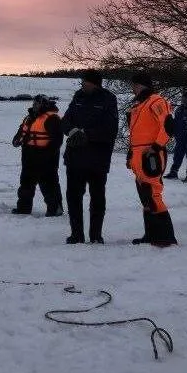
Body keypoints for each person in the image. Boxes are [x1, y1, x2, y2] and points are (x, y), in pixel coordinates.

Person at [61, 70, 118, 244]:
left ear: (95, 83)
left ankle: (96, 235)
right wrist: (72, 131)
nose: (83, 85)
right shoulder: (78, 97)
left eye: (86, 82)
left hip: (97, 159)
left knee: (97, 198)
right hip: (75, 157)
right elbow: (65, 121)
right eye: (82, 82)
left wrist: (87, 134)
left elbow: (110, 130)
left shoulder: (108, 99)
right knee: (73, 197)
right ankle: (76, 234)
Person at [127, 73, 177, 246]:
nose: (132, 88)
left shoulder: (156, 101)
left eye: (133, 84)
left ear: (141, 85)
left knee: (153, 194)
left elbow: (169, 126)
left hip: (151, 155)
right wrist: (130, 153)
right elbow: (136, 134)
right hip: (139, 155)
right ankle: (151, 234)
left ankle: (166, 237)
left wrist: (156, 147)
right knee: (145, 196)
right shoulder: (139, 105)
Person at [12, 95, 64, 216]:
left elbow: (57, 141)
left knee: (49, 185)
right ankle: (23, 209)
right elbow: (21, 133)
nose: (35, 105)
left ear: (44, 104)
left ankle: (55, 209)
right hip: (28, 156)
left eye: (38, 103)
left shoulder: (52, 118)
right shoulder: (29, 118)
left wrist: (47, 155)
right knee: (26, 183)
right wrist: (16, 140)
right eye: (34, 103)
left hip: (47, 158)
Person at [164, 90, 187, 181]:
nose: (183, 101)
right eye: (182, 99)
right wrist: (172, 130)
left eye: (185, 99)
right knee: (177, 155)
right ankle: (173, 172)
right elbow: (176, 122)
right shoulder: (179, 109)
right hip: (180, 136)